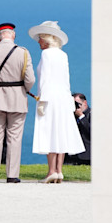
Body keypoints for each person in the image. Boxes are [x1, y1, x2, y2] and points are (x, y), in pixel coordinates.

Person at [28, 20, 84, 183]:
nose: (38, 41)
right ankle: (59, 170)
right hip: (63, 98)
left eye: (40, 38)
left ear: (47, 38)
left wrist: (42, 100)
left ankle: (51, 170)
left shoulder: (46, 54)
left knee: (49, 131)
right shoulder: (63, 54)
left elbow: (44, 78)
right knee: (60, 132)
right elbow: (66, 80)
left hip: (49, 98)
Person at [0, 22, 35, 183]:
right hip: (17, 97)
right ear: (12, 35)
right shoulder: (23, 52)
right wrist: (24, 89)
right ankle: (12, 175)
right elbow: (30, 79)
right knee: (14, 138)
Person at [66, 92, 91, 166]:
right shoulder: (71, 117)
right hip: (71, 156)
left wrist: (81, 117)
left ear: (85, 103)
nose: (76, 107)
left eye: (77, 104)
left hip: (86, 157)